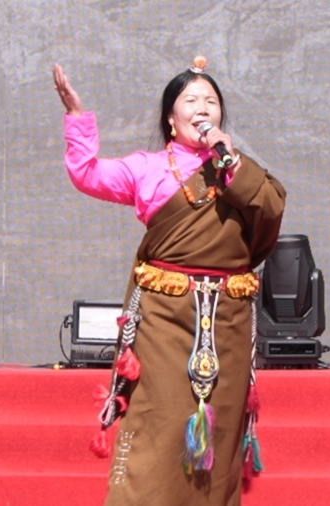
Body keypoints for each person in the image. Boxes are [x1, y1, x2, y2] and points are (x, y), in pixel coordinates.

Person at [52, 56, 286, 505]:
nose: (203, 108)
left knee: (222, 426)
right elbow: (87, 174)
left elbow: (271, 208)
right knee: (161, 421)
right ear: (171, 119)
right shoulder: (147, 167)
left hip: (227, 321)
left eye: (211, 101)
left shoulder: (235, 167)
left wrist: (231, 161)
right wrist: (77, 118)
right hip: (165, 320)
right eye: (191, 100)